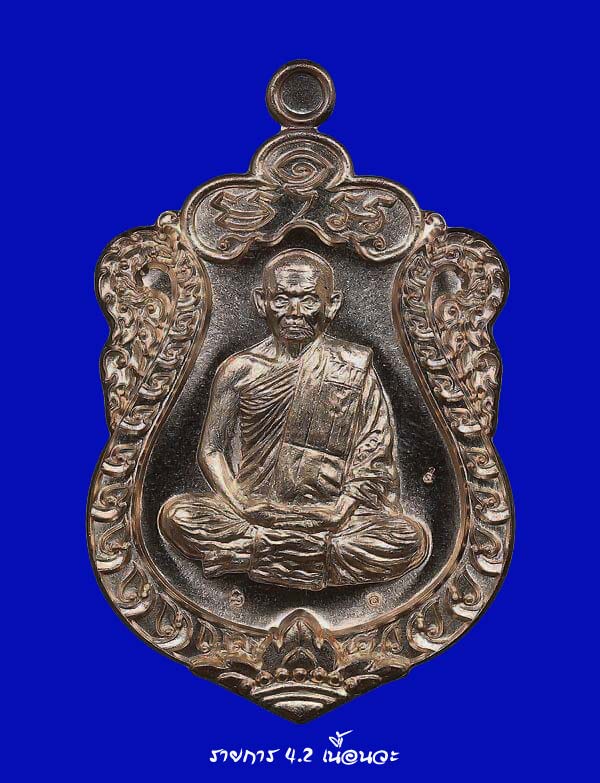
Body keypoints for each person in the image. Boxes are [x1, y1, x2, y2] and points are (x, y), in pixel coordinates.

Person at [159, 248, 430, 590]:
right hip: (255, 511)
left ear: (331, 305)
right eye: (282, 299)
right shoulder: (239, 370)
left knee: (408, 538)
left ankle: (249, 554)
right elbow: (211, 450)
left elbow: (373, 455)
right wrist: (242, 504)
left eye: (309, 300)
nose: (295, 312)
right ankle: (309, 557)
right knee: (176, 517)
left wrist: (340, 511)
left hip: (332, 517)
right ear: (262, 302)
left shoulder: (353, 367)